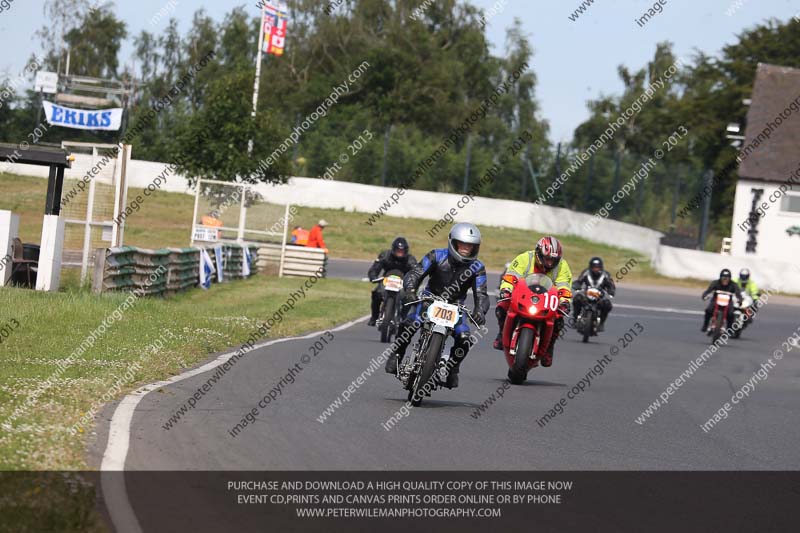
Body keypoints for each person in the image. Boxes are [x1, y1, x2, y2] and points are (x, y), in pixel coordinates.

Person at [384, 223, 489, 389]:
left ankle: (453, 369)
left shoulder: (477, 267)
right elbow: (416, 273)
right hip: (429, 299)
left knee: (464, 338)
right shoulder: (436, 255)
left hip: (456, 306)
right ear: (453, 242)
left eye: (470, 246)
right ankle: (397, 354)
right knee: (409, 323)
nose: (465, 249)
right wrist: (411, 290)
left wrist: (480, 310)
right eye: (462, 244)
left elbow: (481, 293)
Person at [493, 236, 572, 368]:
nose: (550, 263)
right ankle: (501, 334)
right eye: (547, 258)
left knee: (559, 320)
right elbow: (511, 276)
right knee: (501, 307)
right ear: (538, 254)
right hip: (523, 296)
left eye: (553, 260)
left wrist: (565, 302)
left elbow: (564, 287)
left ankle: (549, 348)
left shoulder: (562, 266)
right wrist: (506, 289)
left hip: (546, 301)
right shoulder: (525, 258)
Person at [367, 237, 417, 326]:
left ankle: (403, 318)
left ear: (406, 251)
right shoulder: (385, 255)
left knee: (409, 298)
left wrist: (412, 284)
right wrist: (373, 277)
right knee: (376, 294)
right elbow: (375, 268)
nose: (399, 254)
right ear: (393, 249)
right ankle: (374, 317)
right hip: (386, 280)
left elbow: (416, 273)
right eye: (398, 251)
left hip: (402, 282)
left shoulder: (411, 260)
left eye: (401, 251)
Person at [571, 256, 615, 332]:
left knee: (607, 304)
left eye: (597, 267)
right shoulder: (586, 272)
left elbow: (611, 285)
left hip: (599, 298)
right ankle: (575, 319)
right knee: (577, 298)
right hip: (586, 296)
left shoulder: (606, 275)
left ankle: (601, 323)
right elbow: (579, 281)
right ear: (591, 267)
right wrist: (576, 286)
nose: (596, 269)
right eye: (594, 267)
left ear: (601, 267)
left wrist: (611, 291)